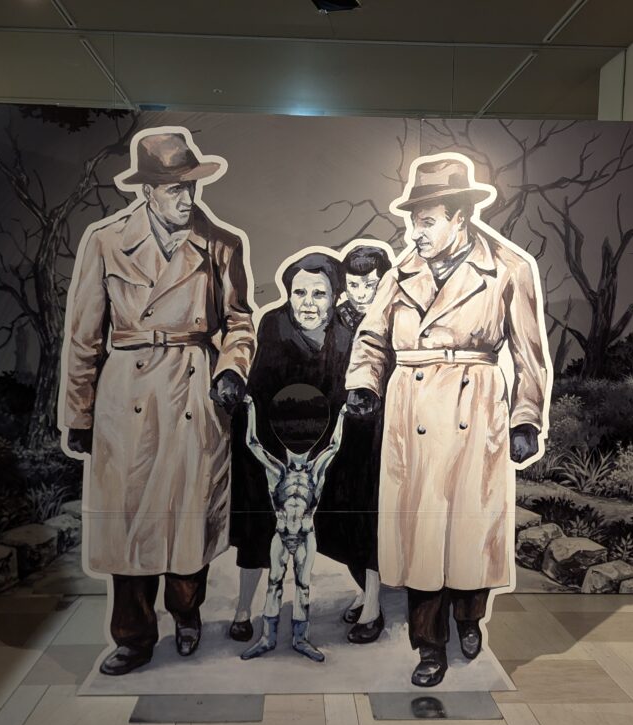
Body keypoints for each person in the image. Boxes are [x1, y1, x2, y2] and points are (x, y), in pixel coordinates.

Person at [345, 156, 550, 687]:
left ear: (460, 216)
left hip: (474, 411)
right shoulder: (401, 273)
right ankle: (429, 645)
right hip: (410, 412)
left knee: (469, 529)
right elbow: (371, 338)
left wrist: (526, 418)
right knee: (420, 535)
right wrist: (364, 385)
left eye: (426, 221)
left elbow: (530, 356)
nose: (415, 233)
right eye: (413, 222)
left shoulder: (508, 268)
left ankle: (469, 616)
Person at [60, 129, 255, 676]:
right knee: (128, 521)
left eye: (191, 187)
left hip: (194, 389)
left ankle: (187, 613)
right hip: (127, 393)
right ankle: (134, 636)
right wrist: (79, 413)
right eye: (174, 188)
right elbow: (83, 336)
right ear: (147, 190)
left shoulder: (221, 243)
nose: (186, 198)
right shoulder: (105, 241)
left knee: (191, 515)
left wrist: (232, 369)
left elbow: (240, 322)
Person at [228, 252, 352, 641]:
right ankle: (243, 608)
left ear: (335, 296)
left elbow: (341, 395)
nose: (308, 303)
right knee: (257, 525)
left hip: (321, 443)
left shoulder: (344, 336)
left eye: (319, 293)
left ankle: (341, 604)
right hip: (271, 439)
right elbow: (259, 391)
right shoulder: (274, 325)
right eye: (300, 293)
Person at [317, 244, 393, 643]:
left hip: (381, 432)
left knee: (370, 517)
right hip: (341, 431)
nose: (362, 293)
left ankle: (373, 606)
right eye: (355, 284)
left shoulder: (394, 319)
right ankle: (364, 590)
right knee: (338, 516)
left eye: (371, 284)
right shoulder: (334, 320)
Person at [238, 396, 346, 662]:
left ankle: (301, 639)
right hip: (282, 533)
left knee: (303, 585)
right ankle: (267, 638)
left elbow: (334, 446)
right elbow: (252, 443)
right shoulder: (277, 471)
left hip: (306, 536)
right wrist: (250, 407)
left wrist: (343, 413)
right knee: (274, 583)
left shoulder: (315, 471)